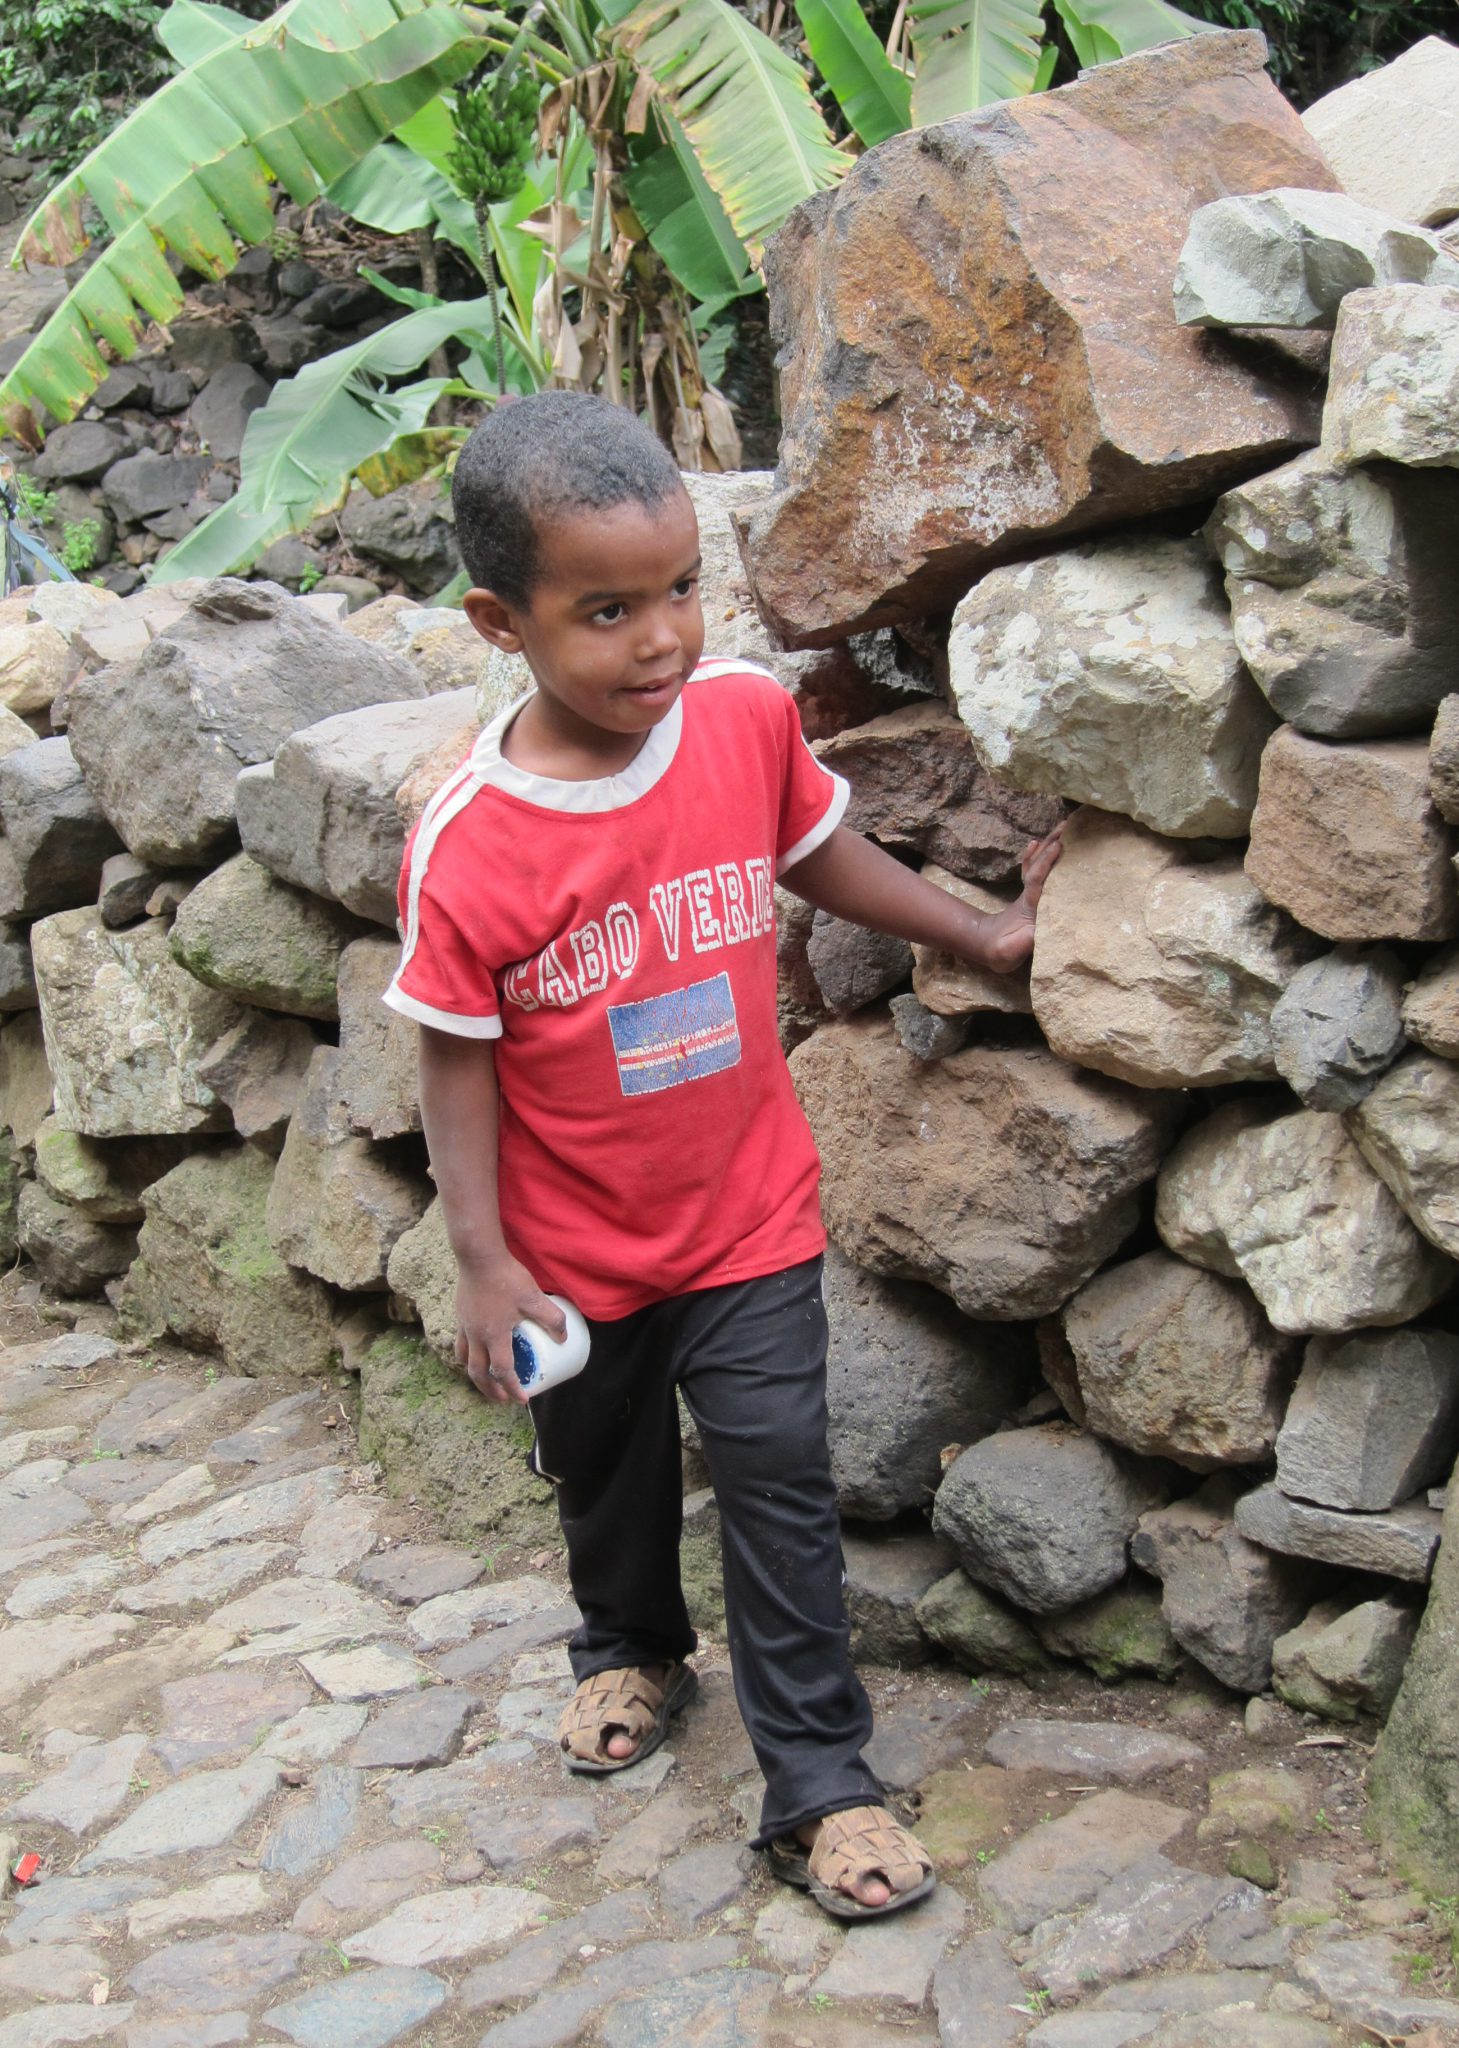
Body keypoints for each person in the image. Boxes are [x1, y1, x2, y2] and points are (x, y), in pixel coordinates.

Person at [384, 390, 1062, 1920]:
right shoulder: (475, 839)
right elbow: (455, 1057)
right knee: (601, 1476)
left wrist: (978, 932)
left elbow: (814, 848)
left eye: (683, 588)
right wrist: (484, 1260)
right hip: (571, 1260)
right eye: (606, 611)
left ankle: (821, 1787)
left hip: (749, 1222)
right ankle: (628, 1646)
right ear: (500, 622)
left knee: (778, 1486)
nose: (663, 639)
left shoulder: (744, 721)